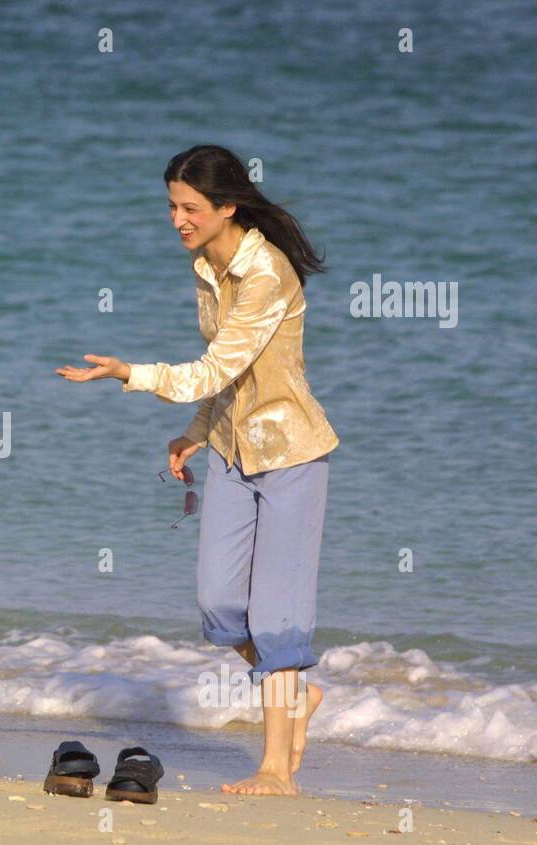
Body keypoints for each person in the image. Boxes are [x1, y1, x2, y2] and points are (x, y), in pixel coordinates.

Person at [56, 145, 339, 796]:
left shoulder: (266, 273)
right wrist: (196, 434)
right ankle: (297, 691)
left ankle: (275, 770)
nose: (178, 220)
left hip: (292, 453)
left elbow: (213, 370)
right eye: (172, 207)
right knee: (218, 606)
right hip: (235, 452)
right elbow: (227, 373)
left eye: (190, 209)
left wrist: (130, 372)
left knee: (278, 618)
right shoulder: (207, 265)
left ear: (226, 207)